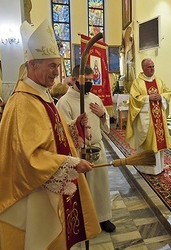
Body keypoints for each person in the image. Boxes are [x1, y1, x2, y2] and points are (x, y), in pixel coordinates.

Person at [0, 19, 100, 249]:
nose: (57, 72)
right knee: (39, 238)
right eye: (52, 65)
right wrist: (70, 162)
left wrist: (73, 127)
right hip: (34, 190)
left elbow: (53, 133)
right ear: (33, 65)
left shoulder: (41, 94)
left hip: (49, 184)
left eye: (58, 65)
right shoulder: (23, 102)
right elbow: (29, 156)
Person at [57, 64, 116, 233]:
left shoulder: (95, 99)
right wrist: (77, 125)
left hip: (97, 148)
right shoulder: (64, 102)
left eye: (92, 80)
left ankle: (103, 217)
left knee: (100, 185)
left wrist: (102, 115)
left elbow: (106, 126)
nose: (90, 83)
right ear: (74, 80)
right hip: (78, 151)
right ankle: (84, 221)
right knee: (83, 188)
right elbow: (62, 130)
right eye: (86, 80)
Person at [126, 58, 171, 175]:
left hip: (159, 119)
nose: (152, 69)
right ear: (143, 68)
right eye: (149, 67)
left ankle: (159, 167)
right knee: (149, 143)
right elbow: (134, 98)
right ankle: (147, 168)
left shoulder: (159, 81)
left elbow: (168, 92)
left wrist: (161, 97)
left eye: (153, 66)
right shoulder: (137, 82)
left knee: (159, 142)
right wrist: (148, 98)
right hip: (146, 119)